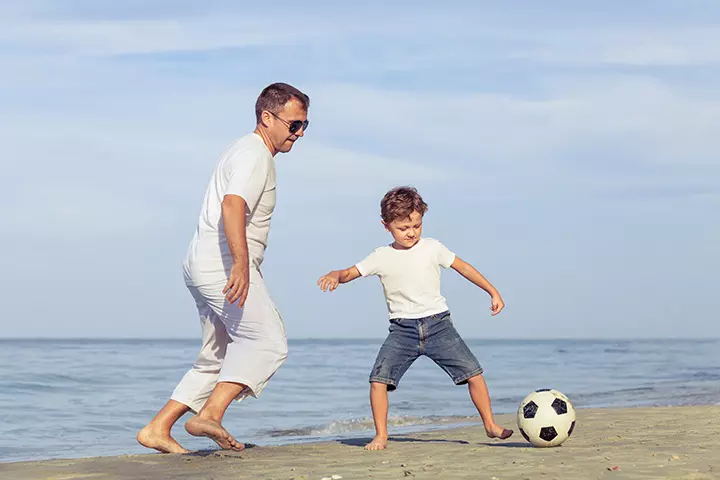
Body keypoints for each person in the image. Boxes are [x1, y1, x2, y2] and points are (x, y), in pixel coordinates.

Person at [137, 82, 310, 454]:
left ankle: (158, 428)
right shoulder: (255, 155)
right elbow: (233, 206)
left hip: (201, 263)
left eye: (304, 127)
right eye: (294, 125)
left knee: (218, 355)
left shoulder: (243, 150)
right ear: (267, 118)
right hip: (222, 265)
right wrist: (242, 266)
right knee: (268, 341)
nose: (299, 134)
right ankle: (210, 414)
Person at [317, 186, 513, 450]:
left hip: (439, 326)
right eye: (403, 228)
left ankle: (490, 425)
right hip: (402, 331)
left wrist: (492, 291)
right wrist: (334, 274)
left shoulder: (433, 248)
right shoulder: (381, 256)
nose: (411, 233)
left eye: (417, 226)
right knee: (378, 381)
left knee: (474, 373)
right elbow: (350, 273)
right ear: (386, 226)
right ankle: (381, 435)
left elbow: (463, 267)